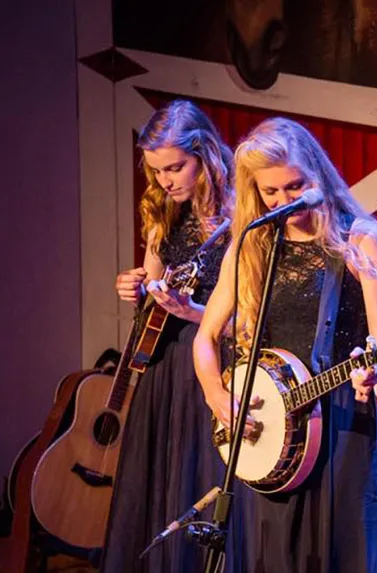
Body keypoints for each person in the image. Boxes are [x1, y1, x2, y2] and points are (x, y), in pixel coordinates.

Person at [193, 117, 377, 573]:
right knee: (272, 552)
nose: (285, 201)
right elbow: (205, 337)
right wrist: (217, 396)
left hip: (339, 413)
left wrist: (375, 369)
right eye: (271, 192)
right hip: (267, 422)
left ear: (317, 176)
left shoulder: (360, 238)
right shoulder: (252, 244)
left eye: (295, 185)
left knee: (341, 551)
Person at [102, 100, 243, 572]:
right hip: (164, 362)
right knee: (156, 483)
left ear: (204, 154)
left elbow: (251, 312)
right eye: (157, 170)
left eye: (176, 167)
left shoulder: (240, 213)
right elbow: (154, 284)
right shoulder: (162, 207)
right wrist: (137, 286)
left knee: (199, 481)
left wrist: (195, 310)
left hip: (213, 360)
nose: (165, 180)